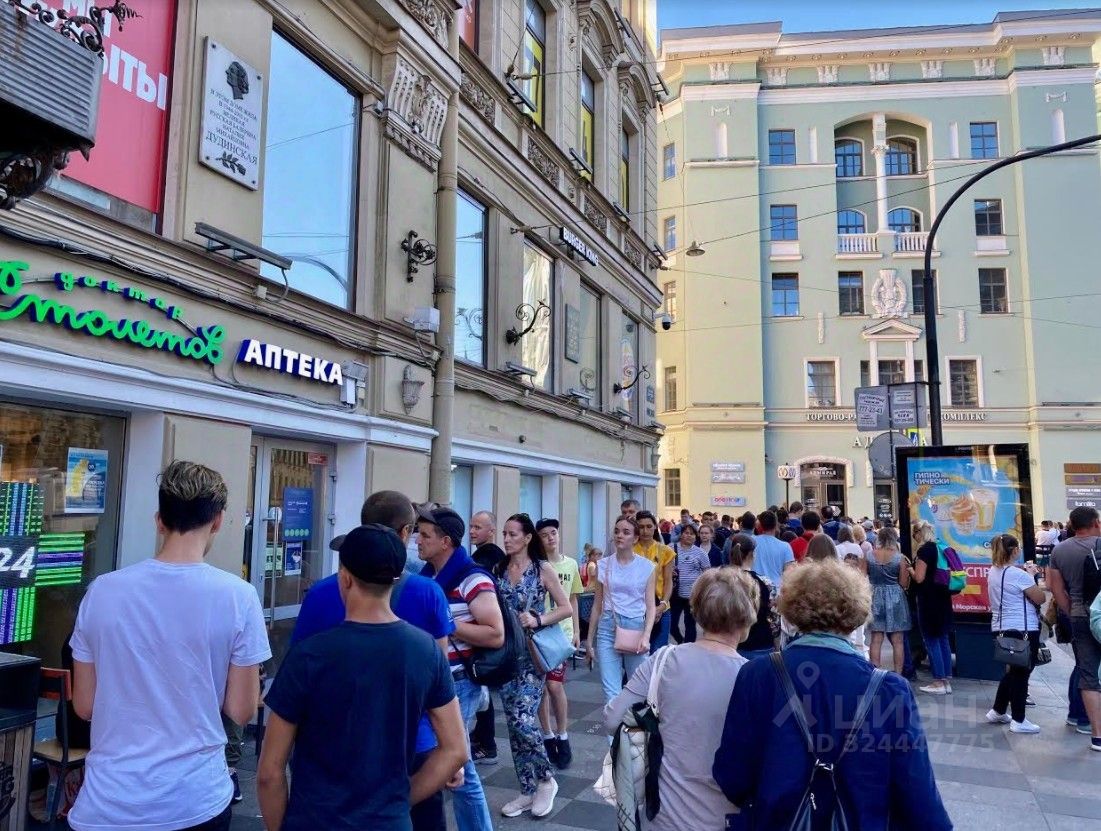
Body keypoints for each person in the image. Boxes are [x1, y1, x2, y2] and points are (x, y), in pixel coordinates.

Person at [70, 461, 270, 831]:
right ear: (217, 521)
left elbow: (84, 705)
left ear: (159, 521)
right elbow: (241, 710)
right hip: (195, 798)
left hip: (109, 801)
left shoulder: (102, 591)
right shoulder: (239, 596)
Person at [713, 560, 952, 830]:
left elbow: (731, 775)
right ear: (857, 611)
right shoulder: (889, 689)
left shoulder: (757, 675)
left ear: (792, 610)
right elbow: (919, 795)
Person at [258, 525, 467, 830]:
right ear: (395, 579)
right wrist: (399, 801)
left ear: (345, 578)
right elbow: (455, 750)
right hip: (389, 822)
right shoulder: (426, 650)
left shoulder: (309, 655)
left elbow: (269, 772)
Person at [604, 569, 755, 831]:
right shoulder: (753, 677)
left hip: (665, 816)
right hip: (727, 819)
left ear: (697, 610)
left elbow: (612, 719)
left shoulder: (663, 661)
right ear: (747, 617)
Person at [418, 508, 502, 830]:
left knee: (458, 765)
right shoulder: (427, 575)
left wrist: (446, 623)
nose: (418, 541)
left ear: (446, 542)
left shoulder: (473, 578)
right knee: (454, 763)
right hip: (435, 681)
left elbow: (495, 634)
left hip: (460, 683)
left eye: (425, 535)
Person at [494, 514, 573, 818]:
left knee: (522, 720)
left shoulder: (542, 569)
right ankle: (527, 789)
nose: (506, 539)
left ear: (527, 538)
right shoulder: (499, 569)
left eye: (512, 534)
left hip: (531, 654)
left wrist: (538, 618)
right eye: (504, 533)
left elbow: (566, 608)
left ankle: (546, 779)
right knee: (514, 726)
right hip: (505, 654)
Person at [587, 516, 657, 705]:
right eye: (617, 531)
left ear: (635, 538)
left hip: (635, 626)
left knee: (637, 689)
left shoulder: (647, 567)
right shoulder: (603, 565)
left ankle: (631, 725)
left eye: (626, 532)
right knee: (611, 692)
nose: (620, 535)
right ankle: (614, 726)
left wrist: (646, 635)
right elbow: (597, 604)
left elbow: (651, 606)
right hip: (608, 626)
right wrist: (589, 640)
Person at [1048, 506, 1101, 750]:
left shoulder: (1060, 550)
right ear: (1096, 523)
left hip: (1079, 613)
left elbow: (1055, 587)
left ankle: (1093, 731)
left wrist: (1071, 610)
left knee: (1086, 670)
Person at [985, 534, 1045, 734]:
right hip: (1022, 628)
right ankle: (1019, 719)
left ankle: (998, 710)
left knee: (1014, 671)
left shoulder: (993, 571)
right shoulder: (1018, 575)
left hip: (1001, 626)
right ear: (1015, 550)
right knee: (1022, 672)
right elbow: (1040, 598)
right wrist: (1031, 576)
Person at [535, 518, 582, 770]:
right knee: (541, 688)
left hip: (561, 633)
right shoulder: (536, 566)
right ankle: (547, 734)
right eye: (544, 535)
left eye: (553, 532)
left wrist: (577, 631)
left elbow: (573, 599)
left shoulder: (571, 564)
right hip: (538, 633)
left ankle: (562, 734)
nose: (550, 538)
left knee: (554, 685)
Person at [467, 510, 505, 767]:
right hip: (483, 629)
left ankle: (487, 744)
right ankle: (482, 739)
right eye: (471, 526)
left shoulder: (489, 556)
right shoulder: (483, 555)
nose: (472, 531)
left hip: (485, 630)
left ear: (491, 531)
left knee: (482, 687)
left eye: (478, 527)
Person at [910, 520, 954, 695]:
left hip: (929, 600)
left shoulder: (924, 551)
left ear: (918, 533)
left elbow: (919, 578)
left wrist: (910, 569)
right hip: (943, 597)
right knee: (943, 638)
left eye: (914, 535)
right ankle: (946, 679)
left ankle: (938, 681)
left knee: (931, 639)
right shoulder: (940, 547)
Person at [867, 526, 912, 674]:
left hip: (875, 595)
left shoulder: (869, 555)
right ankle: (898, 673)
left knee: (876, 638)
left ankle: (875, 672)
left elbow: (861, 576)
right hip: (895, 597)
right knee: (898, 640)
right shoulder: (899, 558)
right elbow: (903, 583)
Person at [729, 534, 777, 661]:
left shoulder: (721, 580)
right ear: (752, 554)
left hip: (729, 642)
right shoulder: (765, 583)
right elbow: (774, 617)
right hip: (761, 643)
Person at [635, 511, 676, 652]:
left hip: (661, 607)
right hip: (636, 608)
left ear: (655, 527)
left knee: (657, 651)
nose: (645, 531)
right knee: (637, 651)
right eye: (641, 527)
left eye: (649, 526)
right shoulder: (630, 550)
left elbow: (668, 581)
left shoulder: (665, 551)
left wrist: (663, 605)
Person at [671, 524, 710, 643]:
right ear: (681, 534)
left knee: (690, 624)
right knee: (672, 624)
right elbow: (661, 566)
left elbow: (707, 573)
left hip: (692, 595)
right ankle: (680, 640)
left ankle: (688, 646)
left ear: (695, 536)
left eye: (692, 534)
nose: (689, 536)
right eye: (686, 533)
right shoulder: (670, 548)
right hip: (674, 594)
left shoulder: (700, 553)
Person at [752, 510, 795, 586]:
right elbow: (789, 574)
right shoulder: (785, 546)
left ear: (760, 525)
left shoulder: (751, 541)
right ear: (776, 525)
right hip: (776, 589)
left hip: (755, 587)